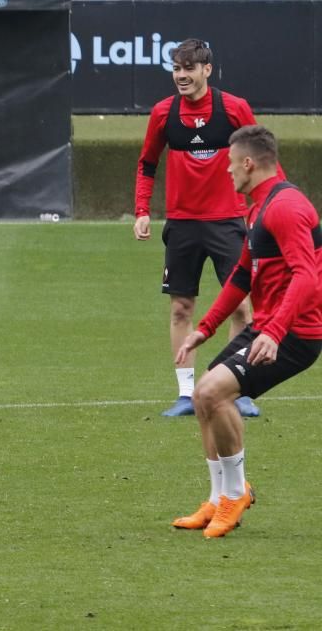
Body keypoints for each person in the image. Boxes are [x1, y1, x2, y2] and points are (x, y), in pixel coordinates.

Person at [174, 125, 322, 537]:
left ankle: (236, 494)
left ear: (248, 163)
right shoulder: (258, 207)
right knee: (206, 397)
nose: (225, 173)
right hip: (267, 326)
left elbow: (307, 276)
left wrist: (273, 332)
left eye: (228, 165)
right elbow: (242, 275)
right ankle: (219, 498)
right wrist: (204, 329)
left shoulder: (285, 207)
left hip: (295, 334)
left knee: (210, 392)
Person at [133, 38, 277, 418]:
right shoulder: (163, 113)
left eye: (188, 68)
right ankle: (185, 395)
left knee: (243, 309)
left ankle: (237, 388)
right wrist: (142, 209)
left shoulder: (233, 108)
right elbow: (147, 163)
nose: (181, 76)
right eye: (176, 69)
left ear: (206, 70)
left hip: (229, 223)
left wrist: (276, 206)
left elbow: (264, 158)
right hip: (181, 225)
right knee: (181, 308)